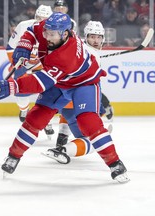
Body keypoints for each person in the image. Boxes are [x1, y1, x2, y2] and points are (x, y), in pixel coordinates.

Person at [0, 12, 129, 183]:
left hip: (84, 83)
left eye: (51, 34)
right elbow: (33, 30)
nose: (47, 36)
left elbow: (40, 81)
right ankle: (13, 156)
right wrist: (25, 44)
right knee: (36, 118)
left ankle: (115, 163)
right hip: (60, 81)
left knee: (88, 121)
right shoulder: (51, 29)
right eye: (47, 32)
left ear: (64, 34)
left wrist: (12, 86)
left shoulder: (65, 56)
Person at [43, 21, 115, 164]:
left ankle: (62, 140)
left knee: (87, 135)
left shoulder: (80, 49)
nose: (95, 40)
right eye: (92, 37)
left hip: (66, 104)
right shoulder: (86, 54)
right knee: (95, 140)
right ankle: (62, 149)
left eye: (98, 37)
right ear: (86, 37)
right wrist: (104, 101)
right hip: (74, 102)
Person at [6, 4, 54, 138]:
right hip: (24, 64)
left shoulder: (55, 32)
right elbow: (10, 48)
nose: (40, 21)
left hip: (43, 66)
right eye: (38, 18)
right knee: (20, 91)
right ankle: (23, 109)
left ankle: (46, 120)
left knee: (51, 92)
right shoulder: (24, 26)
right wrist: (18, 64)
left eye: (44, 19)